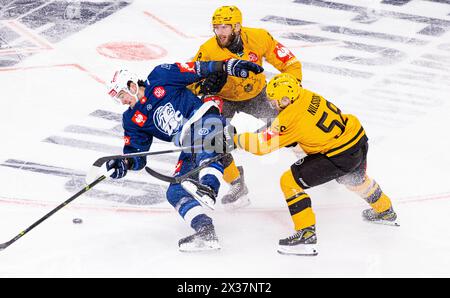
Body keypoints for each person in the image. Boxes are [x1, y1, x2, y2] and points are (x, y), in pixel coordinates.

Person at [228, 73, 398, 256]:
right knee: (354, 180)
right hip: (356, 138)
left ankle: (306, 235)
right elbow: (299, 126)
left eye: (276, 101)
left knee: (289, 181)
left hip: (339, 154)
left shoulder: (290, 118)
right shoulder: (305, 94)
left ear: (286, 99)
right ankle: (385, 210)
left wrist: (236, 139)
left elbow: (261, 146)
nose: (272, 104)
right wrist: (276, 130)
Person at [105, 59, 263, 252]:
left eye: (122, 95)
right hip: (189, 145)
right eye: (118, 99)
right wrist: (125, 163)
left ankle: (209, 188)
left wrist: (227, 65)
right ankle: (205, 231)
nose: (122, 101)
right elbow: (137, 154)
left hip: (205, 119)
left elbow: (198, 69)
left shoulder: (161, 76)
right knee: (175, 192)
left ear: (131, 85)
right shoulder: (130, 119)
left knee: (207, 146)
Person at [192, 5, 303, 209]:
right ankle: (236, 184)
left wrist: (289, 91)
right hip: (224, 99)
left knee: (289, 123)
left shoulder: (259, 37)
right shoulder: (208, 50)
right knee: (213, 139)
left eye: (225, 27)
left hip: (258, 95)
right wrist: (203, 87)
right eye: (217, 27)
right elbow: (190, 80)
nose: (220, 32)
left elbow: (291, 64)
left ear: (237, 26)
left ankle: (311, 156)